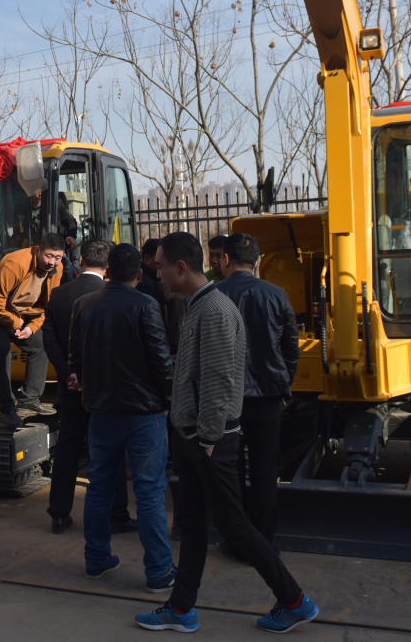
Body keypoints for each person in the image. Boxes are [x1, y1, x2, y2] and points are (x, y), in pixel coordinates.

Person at [135, 232, 318, 635]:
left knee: (234, 527)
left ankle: (294, 600)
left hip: (210, 441)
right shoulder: (199, 305)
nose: (157, 273)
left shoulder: (214, 310)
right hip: (196, 438)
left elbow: (218, 382)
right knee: (193, 522)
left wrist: (207, 441)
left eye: (162, 266)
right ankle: (181, 608)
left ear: (181, 267)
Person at [69, 243, 177, 595]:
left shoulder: (83, 305)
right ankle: (159, 571)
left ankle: (96, 559)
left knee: (98, 490)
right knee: (148, 494)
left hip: (101, 411)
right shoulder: (145, 304)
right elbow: (161, 360)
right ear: (140, 274)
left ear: (108, 271)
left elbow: (76, 357)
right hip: (144, 414)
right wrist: (169, 400)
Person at [42, 239, 135, 535]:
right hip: (105, 388)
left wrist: (69, 373)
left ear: (79, 261)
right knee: (110, 449)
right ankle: (116, 513)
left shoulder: (58, 295)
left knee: (68, 447)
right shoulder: (112, 296)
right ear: (108, 268)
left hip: (70, 388)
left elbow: (50, 340)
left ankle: (58, 513)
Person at [215, 232, 301, 544]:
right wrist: (282, 384)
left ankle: (236, 540)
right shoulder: (276, 294)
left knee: (231, 473)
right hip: (266, 397)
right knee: (265, 474)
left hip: (226, 399)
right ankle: (262, 541)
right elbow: (291, 348)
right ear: (258, 261)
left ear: (225, 259)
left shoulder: (214, 295)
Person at [0, 232, 66, 427]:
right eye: (48, 256)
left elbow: (47, 305)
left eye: (57, 257)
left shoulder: (58, 269)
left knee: (39, 345)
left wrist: (31, 328)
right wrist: (14, 324)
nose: (52, 262)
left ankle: (30, 400)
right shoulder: (14, 263)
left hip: (19, 313)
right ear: (37, 250)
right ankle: (6, 408)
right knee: (2, 349)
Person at [137, 238, 183, 357]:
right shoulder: (145, 283)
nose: (159, 273)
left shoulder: (153, 281)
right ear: (146, 258)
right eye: (158, 264)